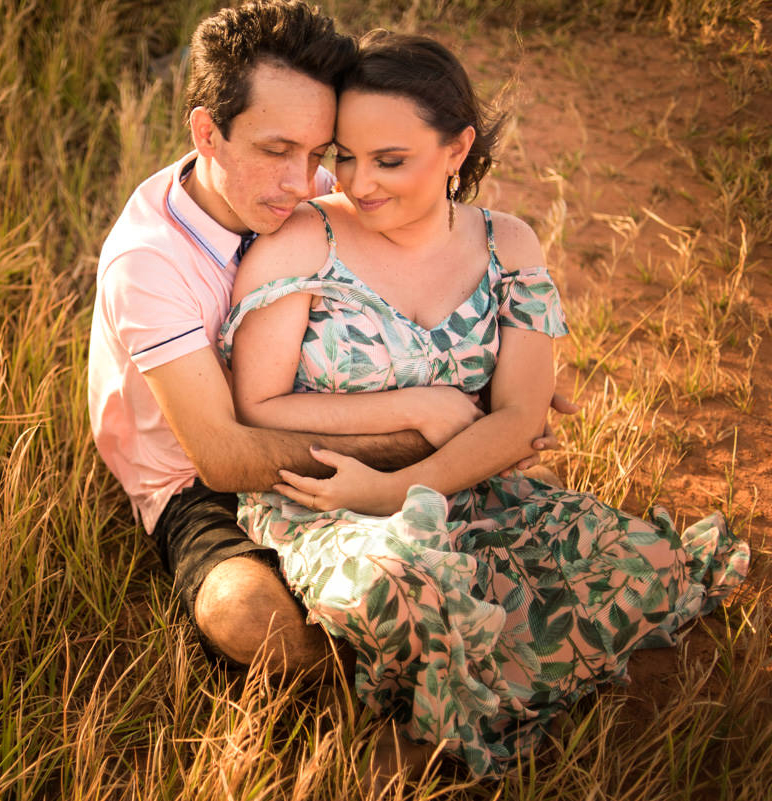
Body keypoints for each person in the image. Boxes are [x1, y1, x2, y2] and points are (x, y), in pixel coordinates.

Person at [217, 31, 750, 776]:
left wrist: (405, 487)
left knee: (639, 565)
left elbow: (519, 418)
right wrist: (416, 406)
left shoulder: (511, 244)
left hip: (475, 483)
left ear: (458, 149)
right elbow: (259, 405)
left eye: (390, 160)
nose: (358, 181)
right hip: (329, 496)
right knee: (399, 586)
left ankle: (448, 713)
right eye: (345, 155)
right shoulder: (306, 239)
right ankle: (431, 718)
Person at [87, 0, 568, 682]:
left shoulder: (322, 186)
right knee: (250, 614)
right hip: (198, 476)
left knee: (504, 539)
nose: (305, 179)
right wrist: (429, 427)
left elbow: (432, 271)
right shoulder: (150, 263)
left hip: (320, 419)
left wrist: (510, 365)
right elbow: (225, 456)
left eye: (320, 152)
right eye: (277, 149)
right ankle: (377, 686)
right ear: (207, 132)